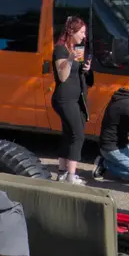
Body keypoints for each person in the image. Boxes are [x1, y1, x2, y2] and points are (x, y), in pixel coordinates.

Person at [49, 16, 91, 184]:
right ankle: (71, 176)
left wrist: (86, 69)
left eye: (85, 32)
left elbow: (78, 75)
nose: (84, 36)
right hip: (64, 99)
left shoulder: (76, 49)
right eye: (81, 32)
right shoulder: (61, 50)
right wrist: (71, 59)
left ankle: (61, 172)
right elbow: (63, 77)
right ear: (71, 31)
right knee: (77, 135)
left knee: (68, 134)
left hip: (76, 99)